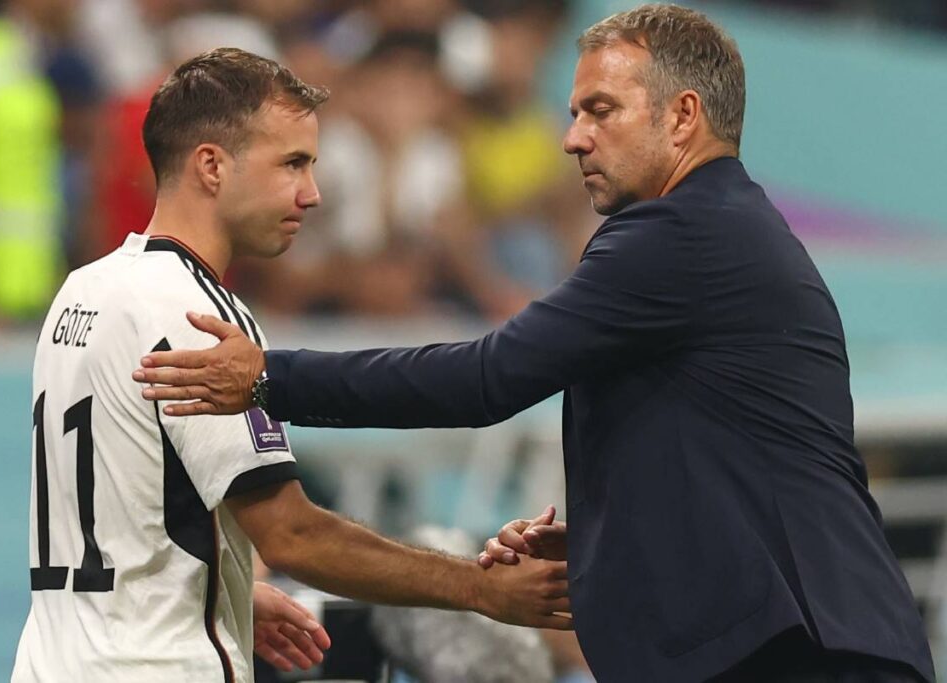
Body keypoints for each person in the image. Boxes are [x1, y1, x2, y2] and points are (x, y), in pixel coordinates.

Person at [131, 7, 936, 683]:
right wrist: (608, 533)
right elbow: (728, 447)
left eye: (600, 110)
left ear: (683, 116)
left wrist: (267, 375)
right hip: (810, 639)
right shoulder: (720, 231)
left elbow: (486, 377)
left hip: (801, 649)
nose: (571, 138)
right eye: (574, 110)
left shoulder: (678, 233)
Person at [12, 48, 571, 683]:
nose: (313, 193)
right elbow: (292, 536)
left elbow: (121, 514)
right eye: (292, 164)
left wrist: (227, 588)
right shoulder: (197, 315)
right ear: (212, 166)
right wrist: (479, 589)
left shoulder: (83, 291)